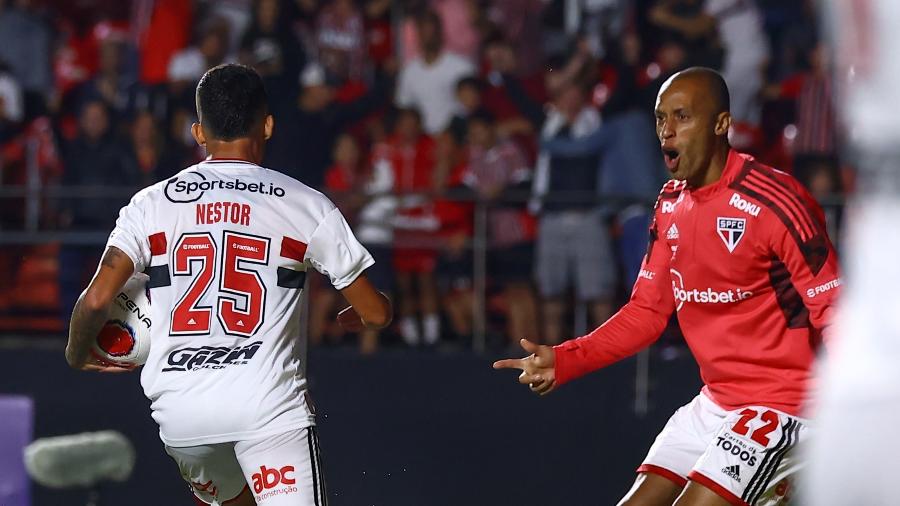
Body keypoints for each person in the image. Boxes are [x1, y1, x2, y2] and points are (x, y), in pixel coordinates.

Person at [494, 67, 841, 505]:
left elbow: (834, 309)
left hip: (782, 406)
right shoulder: (670, 204)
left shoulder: (775, 201)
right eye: (660, 119)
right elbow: (646, 312)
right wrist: (566, 360)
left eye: (682, 117)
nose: (667, 132)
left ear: (721, 124)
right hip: (715, 404)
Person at [64, 64, 392, 506]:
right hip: (267, 409)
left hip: (183, 415)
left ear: (198, 132)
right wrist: (360, 315)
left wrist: (77, 351)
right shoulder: (304, 204)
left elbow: (97, 299)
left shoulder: (150, 203)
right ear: (269, 125)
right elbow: (375, 313)